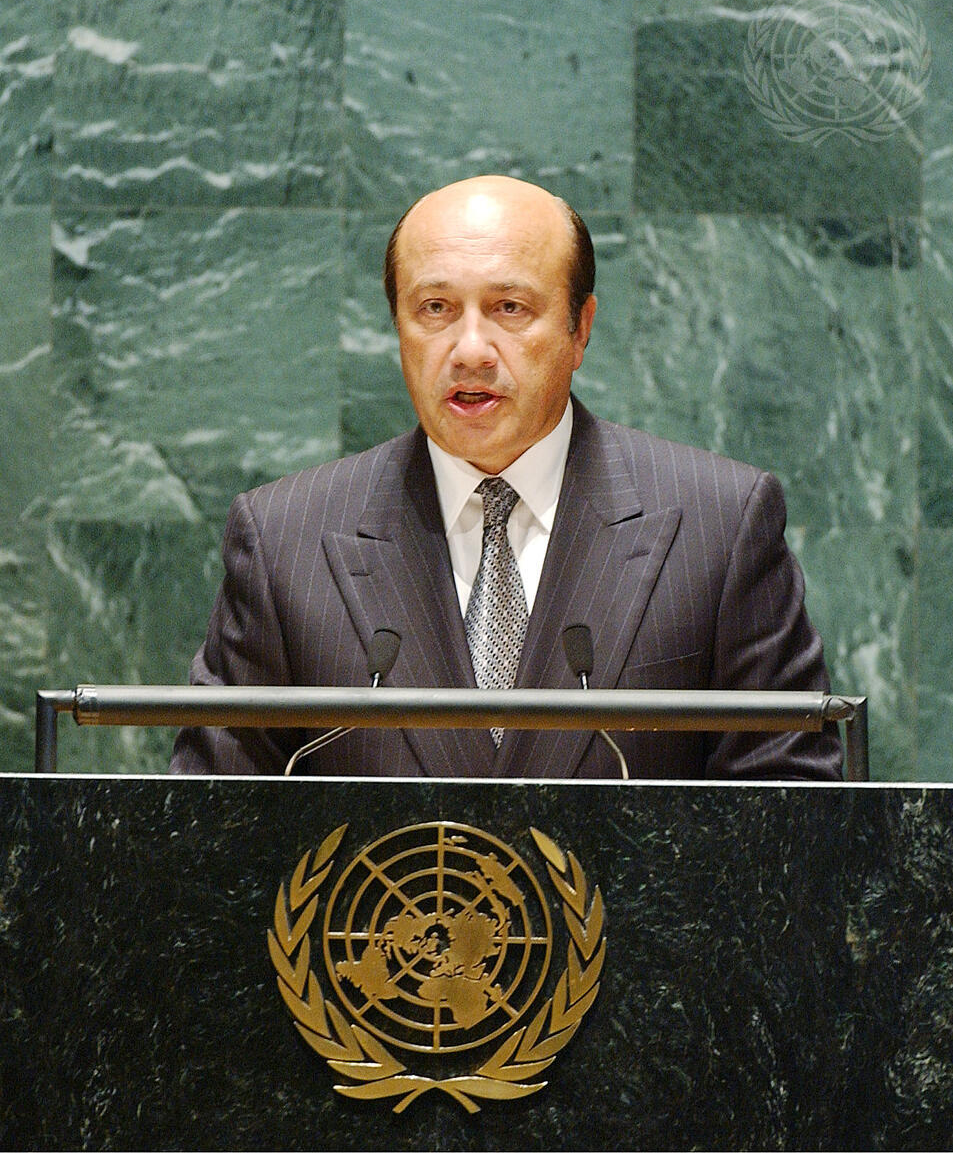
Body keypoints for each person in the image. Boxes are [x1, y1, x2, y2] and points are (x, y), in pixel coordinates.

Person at [170, 175, 842, 779]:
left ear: (580, 329)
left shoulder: (719, 526)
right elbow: (212, 825)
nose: (469, 351)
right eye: (435, 308)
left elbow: (788, 821)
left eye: (510, 308)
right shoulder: (284, 540)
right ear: (397, 327)